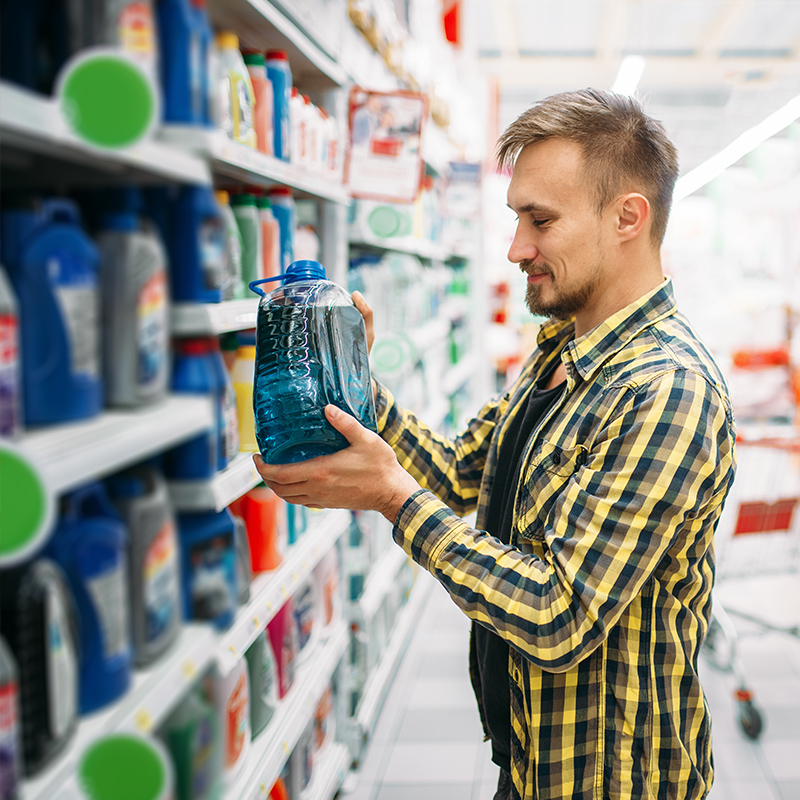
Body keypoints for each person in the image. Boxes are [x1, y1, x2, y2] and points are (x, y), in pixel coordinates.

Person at [254, 88, 737, 800]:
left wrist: (393, 498)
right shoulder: (561, 352)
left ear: (628, 217)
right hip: (535, 761)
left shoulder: (665, 389)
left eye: (539, 220)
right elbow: (459, 474)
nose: (516, 250)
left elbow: (561, 616)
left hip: (610, 782)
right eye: (516, 219)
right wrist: (356, 390)